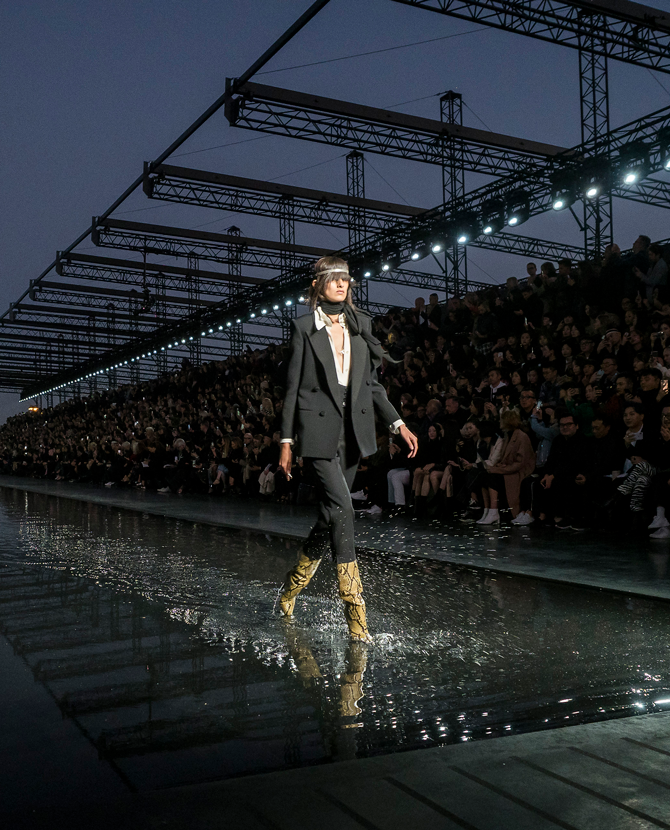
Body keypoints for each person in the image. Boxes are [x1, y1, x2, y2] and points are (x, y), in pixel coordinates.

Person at [278, 256, 418, 642]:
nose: (342, 284)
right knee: (343, 508)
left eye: (346, 279)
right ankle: (355, 612)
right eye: (334, 278)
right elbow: (292, 388)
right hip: (317, 434)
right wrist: (286, 441)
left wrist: (398, 423)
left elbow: (372, 385)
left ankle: (291, 587)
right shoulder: (303, 328)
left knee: (330, 517)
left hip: (353, 434)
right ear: (317, 285)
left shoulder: (361, 325)